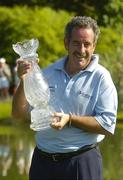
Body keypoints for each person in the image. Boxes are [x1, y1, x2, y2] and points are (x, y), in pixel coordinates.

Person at [12, 16, 118, 180]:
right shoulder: (47, 73)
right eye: (76, 43)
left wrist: (69, 119)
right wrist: (23, 79)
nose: (81, 50)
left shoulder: (101, 77)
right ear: (66, 43)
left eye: (87, 44)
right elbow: (19, 115)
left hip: (81, 162)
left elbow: (107, 124)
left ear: (94, 46)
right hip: (42, 163)